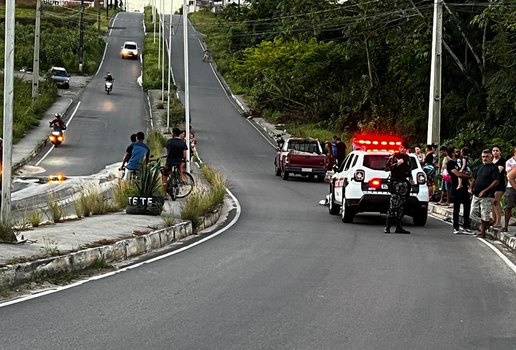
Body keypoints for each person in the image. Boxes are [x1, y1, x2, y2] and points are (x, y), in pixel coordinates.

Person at [469, 149, 499, 238]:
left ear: (491, 156)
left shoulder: (494, 168)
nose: (485, 158)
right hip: (476, 194)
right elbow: (474, 178)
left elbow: (496, 181)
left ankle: (483, 232)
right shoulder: (480, 166)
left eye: (486, 156)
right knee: (473, 213)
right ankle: (488, 222)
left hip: (487, 195)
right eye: (483, 157)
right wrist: (471, 187)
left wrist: (486, 190)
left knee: (484, 213)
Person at [384, 140, 412, 234]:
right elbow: (387, 168)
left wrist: (411, 181)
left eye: (405, 148)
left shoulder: (408, 158)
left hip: (403, 184)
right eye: (402, 148)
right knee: (393, 205)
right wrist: (396, 164)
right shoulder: (394, 157)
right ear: (400, 147)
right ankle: (387, 226)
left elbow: (409, 170)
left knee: (401, 206)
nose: (403, 150)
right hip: (395, 183)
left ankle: (399, 227)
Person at [446, 146, 472, 234]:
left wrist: (466, 174)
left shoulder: (458, 162)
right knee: (456, 207)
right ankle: (456, 227)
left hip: (464, 187)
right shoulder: (450, 164)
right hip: (456, 187)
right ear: (452, 153)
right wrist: (468, 176)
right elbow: (458, 174)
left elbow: (463, 171)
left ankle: (466, 226)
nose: (458, 153)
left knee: (467, 206)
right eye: (456, 151)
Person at [163, 127, 188, 197]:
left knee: (165, 175)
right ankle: (180, 179)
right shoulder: (183, 143)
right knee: (179, 171)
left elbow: (167, 151)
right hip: (178, 162)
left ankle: (164, 194)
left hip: (169, 162)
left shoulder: (169, 141)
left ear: (173, 133)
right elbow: (184, 155)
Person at [491, 145, 506, 228]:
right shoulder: (491, 160)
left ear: (500, 152)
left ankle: (499, 221)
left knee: (496, 202)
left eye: (497, 150)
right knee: (492, 203)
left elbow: (498, 171)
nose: (495, 152)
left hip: (499, 184)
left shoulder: (502, 160)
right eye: (493, 150)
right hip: (491, 184)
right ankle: (494, 220)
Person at [502, 147, 516, 233]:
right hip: (511, 186)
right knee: (509, 206)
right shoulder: (509, 162)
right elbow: (509, 176)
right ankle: (505, 225)